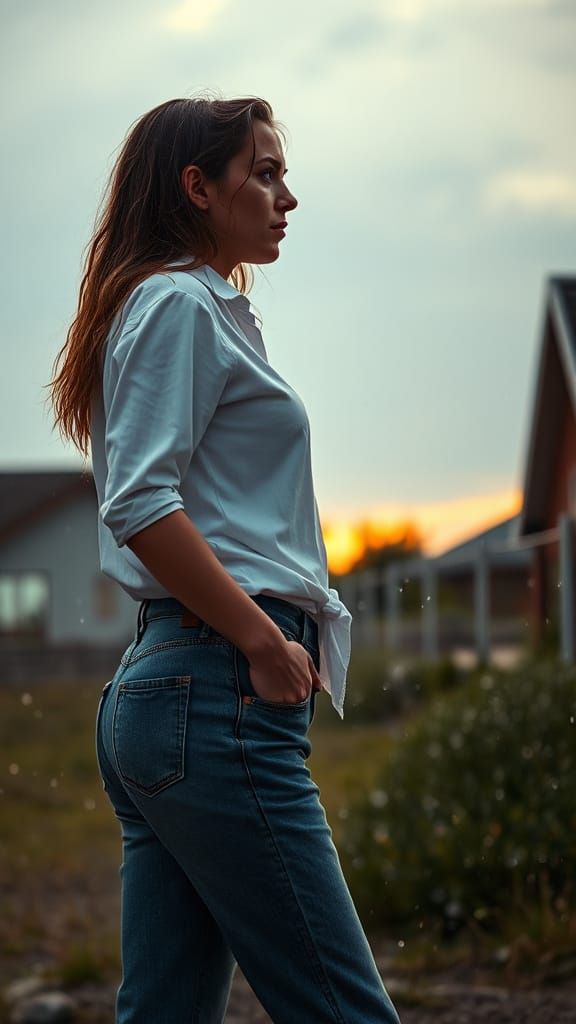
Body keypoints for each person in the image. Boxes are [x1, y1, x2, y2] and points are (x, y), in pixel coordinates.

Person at [48, 94, 401, 1024]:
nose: (288, 197)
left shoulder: (197, 308)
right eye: (267, 173)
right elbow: (140, 505)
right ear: (198, 187)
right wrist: (263, 643)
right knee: (344, 1010)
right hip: (215, 688)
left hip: (179, 693)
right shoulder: (176, 304)